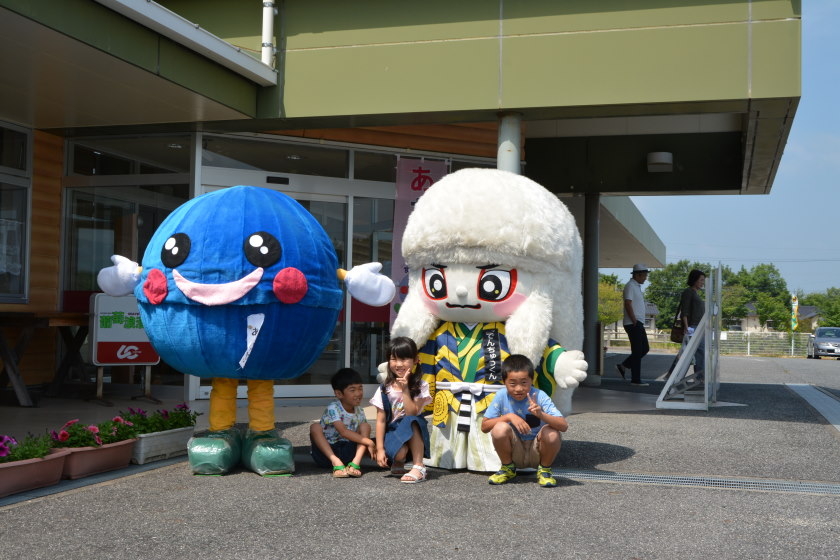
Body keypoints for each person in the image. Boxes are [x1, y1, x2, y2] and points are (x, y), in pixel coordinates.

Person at [481, 354, 568, 488]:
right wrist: (509, 416)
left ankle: (545, 471)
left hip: (537, 451)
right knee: (499, 428)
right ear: (504, 382)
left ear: (532, 380)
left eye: (524, 382)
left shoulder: (540, 395)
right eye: (512, 383)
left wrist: (541, 414)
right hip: (515, 450)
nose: (519, 389)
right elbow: (484, 426)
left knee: (552, 432)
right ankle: (507, 468)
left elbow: (563, 426)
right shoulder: (501, 395)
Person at [370, 337, 432, 483]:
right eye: (394, 359)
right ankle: (399, 460)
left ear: (415, 360)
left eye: (404, 359)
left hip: (414, 432)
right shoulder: (384, 389)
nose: (398, 364)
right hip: (393, 432)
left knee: (412, 420)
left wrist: (405, 389)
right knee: (400, 453)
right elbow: (380, 421)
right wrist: (380, 449)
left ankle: (419, 466)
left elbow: (412, 413)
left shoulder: (421, 386)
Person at [309, 368, 376, 478]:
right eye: (352, 390)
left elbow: (361, 434)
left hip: (348, 452)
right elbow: (343, 432)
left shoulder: (360, 411)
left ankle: (355, 464)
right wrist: (369, 442)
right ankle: (336, 462)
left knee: (365, 426)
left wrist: (368, 442)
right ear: (339, 393)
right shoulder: (333, 408)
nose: (358, 393)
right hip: (327, 453)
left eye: (360, 388)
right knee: (315, 427)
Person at [616, 264, 650, 386]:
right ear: (638, 274)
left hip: (637, 322)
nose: (645, 278)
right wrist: (634, 320)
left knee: (644, 348)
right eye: (644, 275)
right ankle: (635, 379)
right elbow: (628, 303)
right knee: (637, 351)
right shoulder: (630, 285)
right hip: (633, 323)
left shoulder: (636, 286)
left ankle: (623, 366)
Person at [680, 269, 706, 386]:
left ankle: (699, 377)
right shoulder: (688, 292)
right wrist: (687, 328)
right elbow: (684, 311)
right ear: (694, 280)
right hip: (692, 327)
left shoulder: (695, 293)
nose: (702, 283)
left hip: (698, 327)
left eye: (703, 280)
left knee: (698, 353)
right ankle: (699, 378)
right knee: (697, 353)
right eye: (701, 280)